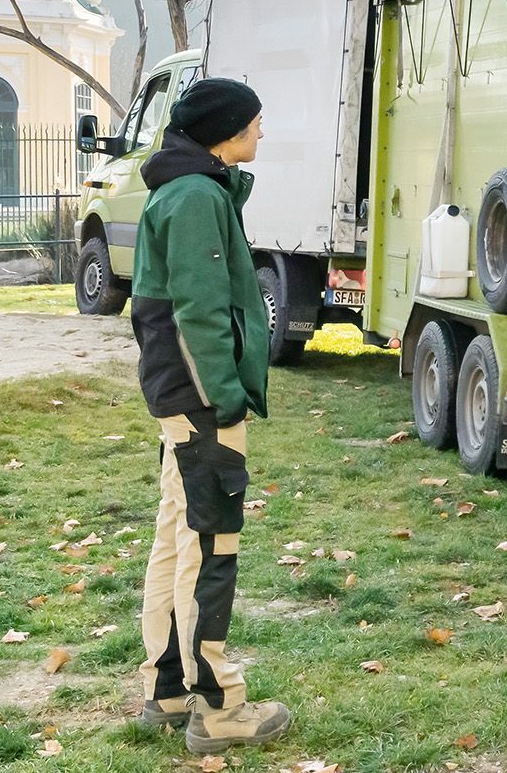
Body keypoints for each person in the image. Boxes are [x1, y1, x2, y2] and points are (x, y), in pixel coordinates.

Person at [128, 78, 291, 755]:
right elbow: (196, 312)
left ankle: (167, 688)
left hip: (179, 396)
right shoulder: (194, 197)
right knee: (209, 542)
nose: (263, 133)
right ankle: (218, 706)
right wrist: (224, 395)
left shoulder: (194, 189)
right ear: (225, 130)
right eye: (255, 122)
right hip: (199, 398)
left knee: (178, 534)